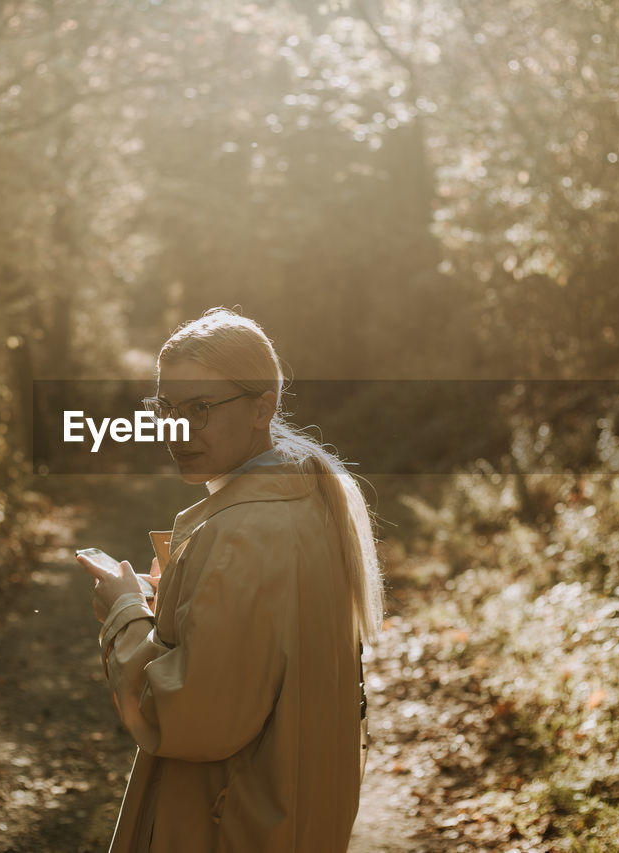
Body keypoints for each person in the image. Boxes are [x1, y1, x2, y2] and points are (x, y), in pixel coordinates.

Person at [76, 307, 384, 853]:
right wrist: (170, 602)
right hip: (278, 821)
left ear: (263, 408)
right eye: (166, 408)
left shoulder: (244, 534)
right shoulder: (306, 502)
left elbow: (189, 714)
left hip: (220, 829)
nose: (178, 429)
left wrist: (125, 615)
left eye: (201, 408)